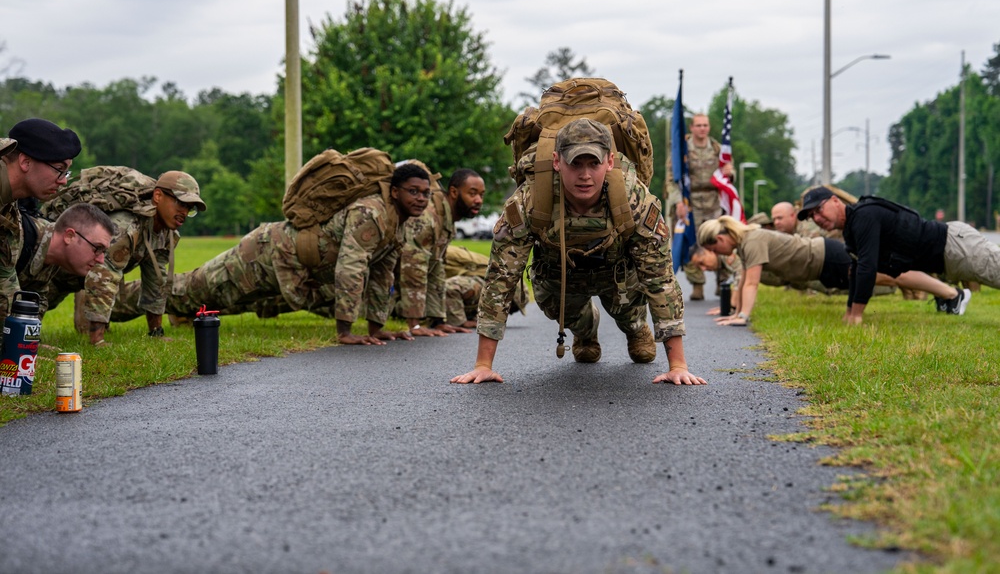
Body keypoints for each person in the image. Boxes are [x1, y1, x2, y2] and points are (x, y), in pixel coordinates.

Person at [451, 118, 705, 386]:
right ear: (557, 162)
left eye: (593, 164)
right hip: (561, 276)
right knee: (555, 304)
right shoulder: (531, 200)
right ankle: (585, 332)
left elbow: (660, 279)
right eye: (575, 164)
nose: (585, 175)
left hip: (618, 276)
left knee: (633, 326)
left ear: (609, 162)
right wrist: (482, 365)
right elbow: (500, 279)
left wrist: (678, 365)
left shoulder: (633, 199)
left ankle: (634, 327)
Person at [120, 163, 431, 345]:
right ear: (394, 192)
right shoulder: (373, 213)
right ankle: (109, 304)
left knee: (228, 303)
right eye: (413, 191)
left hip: (293, 269)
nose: (420, 198)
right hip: (265, 252)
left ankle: (183, 315)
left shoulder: (399, 224)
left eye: (425, 193)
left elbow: (380, 275)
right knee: (189, 289)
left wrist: (377, 329)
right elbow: (351, 268)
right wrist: (345, 332)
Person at [698, 214, 970, 326]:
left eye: (714, 249)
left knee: (890, 274)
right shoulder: (747, 242)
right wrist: (735, 313)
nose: (716, 255)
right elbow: (744, 278)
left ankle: (951, 294)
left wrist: (743, 316)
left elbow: (751, 283)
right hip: (823, 265)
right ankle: (948, 294)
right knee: (888, 276)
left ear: (721, 239)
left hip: (828, 257)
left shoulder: (752, 240)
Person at [42, 170, 206, 345]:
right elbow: (103, 275)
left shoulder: (165, 234)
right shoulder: (126, 226)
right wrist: (98, 342)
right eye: (180, 203)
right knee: (26, 310)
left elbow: (156, 281)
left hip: (77, 278)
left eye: (190, 208)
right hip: (51, 275)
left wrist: (156, 333)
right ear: (158, 196)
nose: (184, 211)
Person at [800, 186, 1000, 324]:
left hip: (955, 246)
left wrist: (857, 316)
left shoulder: (864, 216)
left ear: (835, 201)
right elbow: (856, 271)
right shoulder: (851, 230)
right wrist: (849, 312)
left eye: (819, 209)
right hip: (947, 257)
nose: (817, 218)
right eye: (811, 216)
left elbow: (867, 268)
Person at [1, 118, 82, 323]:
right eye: (59, 169)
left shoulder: (10, 208)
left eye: (67, 172)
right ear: (25, 162)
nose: (63, 180)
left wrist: (20, 342)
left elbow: (4, 282)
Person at [393, 167, 486, 336]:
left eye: (481, 194)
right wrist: (414, 325)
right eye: (472, 193)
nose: (479, 200)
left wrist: (438, 321)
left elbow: (436, 269)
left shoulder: (446, 219)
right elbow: (413, 268)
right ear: (454, 192)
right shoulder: (428, 217)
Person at [665, 113, 728, 300]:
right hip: (690, 203)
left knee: (719, 240)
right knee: (691, 242)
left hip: (713, 201)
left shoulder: (717, 149)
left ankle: (722, 280)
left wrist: (729, 173)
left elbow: (726, 175)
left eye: (705, 125)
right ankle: (697, 284)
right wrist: (678, 202)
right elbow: (672, 179)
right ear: (691, 128)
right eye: (698, 125)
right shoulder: (682, 150)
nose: (702, 128)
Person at [16, 204, 115, 315]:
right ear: (69, 236)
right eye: (97, 248)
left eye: (103, 251)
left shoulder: (54, 255)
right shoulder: (18, 238)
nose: (101, 260)